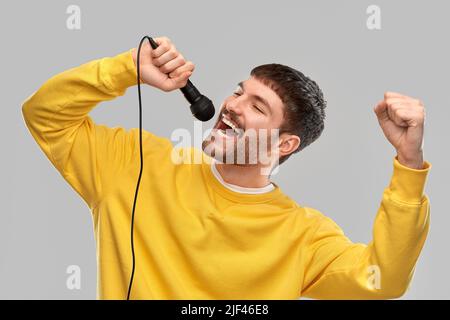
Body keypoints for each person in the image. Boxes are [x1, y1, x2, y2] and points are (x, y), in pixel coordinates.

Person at [22, 36, 431, 300]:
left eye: (257, 107)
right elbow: (44, 115)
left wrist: (409, 164)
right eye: (239, 92)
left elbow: (384, 281)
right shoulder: (135, 163)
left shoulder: (304, 235)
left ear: (285, 144)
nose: (233, 105)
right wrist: (125, 68)